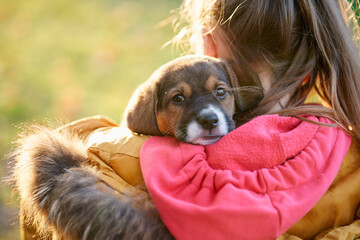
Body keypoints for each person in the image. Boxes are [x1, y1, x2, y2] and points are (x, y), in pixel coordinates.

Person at [11, 0, 360, 240]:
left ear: (207, 44)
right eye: (179, 99)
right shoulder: (351, 164)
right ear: (313, 66)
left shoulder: (91, 166)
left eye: (219, 92)